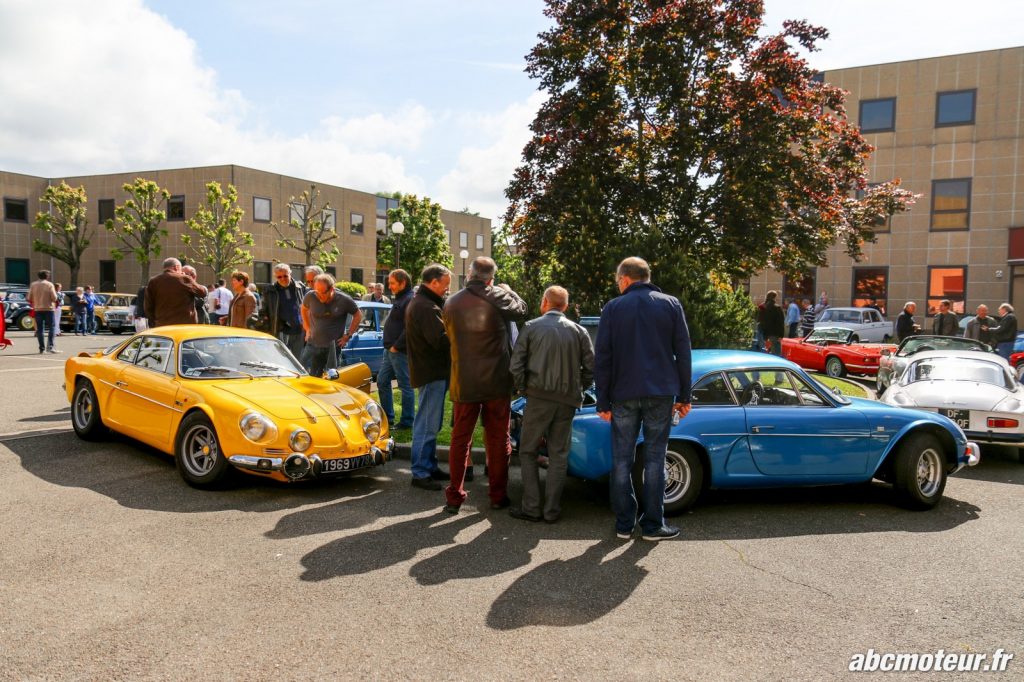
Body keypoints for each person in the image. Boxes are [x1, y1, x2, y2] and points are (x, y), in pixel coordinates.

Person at [594, 257, 691, 541]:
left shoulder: (613, 308)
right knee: (655, 458)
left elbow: (604, 358)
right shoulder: (671, 304)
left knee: (622, 460)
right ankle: (652, 524)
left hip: (623, 393)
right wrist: (685, 395)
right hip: (661, 391)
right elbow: (683, 353)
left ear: (625, 278)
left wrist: (602, 401)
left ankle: (624, 523)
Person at [441, 256, 526, 513]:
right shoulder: (498, 298)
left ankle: (454, 495)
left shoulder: (451, 302)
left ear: (470, 274)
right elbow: (522, 309)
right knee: (499, 438)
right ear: (491, 278)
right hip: (496, 380)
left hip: (464, 379)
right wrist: (509, 292)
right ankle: (498, 495)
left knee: (460, 439)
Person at [508, 286, 594, 524]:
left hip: (537, 397)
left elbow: (516, 366)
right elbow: (591, 368)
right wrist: (579, 388)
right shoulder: (579, 331)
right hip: (567, 399)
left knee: (527, 451)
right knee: (559, 454)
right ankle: (552, 510)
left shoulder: (531, 327)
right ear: (565, 306)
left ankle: (532, 507)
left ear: (545, 302)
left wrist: (524, 388)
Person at [404, 264, 454, 491]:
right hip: (431, 371)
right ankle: (421, 472)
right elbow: (440, 340)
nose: (447, 289)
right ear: (434, 282)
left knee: (430, 422)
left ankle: (429, 466)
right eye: (445, 284)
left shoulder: (424, 302)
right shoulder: (425, 306)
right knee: (427, 423)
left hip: (431, 370)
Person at [300, 273, 361, 377]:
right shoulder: (311, 296)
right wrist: (307, 328)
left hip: (333, 347)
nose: (319, 296)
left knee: (332, 377)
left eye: (322, 293)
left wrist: (348, 335)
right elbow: (304, 309)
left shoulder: (344, 299)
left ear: (331, 289)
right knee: (309, 374)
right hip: (314, 343)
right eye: (317, 292)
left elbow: (358, 314)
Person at [377, 269, 415, 429]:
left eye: (392, 283)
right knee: (382, 381)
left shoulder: (409, 299)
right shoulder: (401, 298)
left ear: (403, 283)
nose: (389, 286)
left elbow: (410, 327)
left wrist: (396, 346)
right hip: (390, 351)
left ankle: (407, 421)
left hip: (398, 351)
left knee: (405, 385)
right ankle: (388, 417)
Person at [258, 263, 307, 360]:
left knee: (299, 359)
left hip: (299, 329)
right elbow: (263, 311)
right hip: (281, 329)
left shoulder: (300, 287)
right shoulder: (269, 290)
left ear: (290, 273)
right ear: (275, 277)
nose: (283, 279)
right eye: (279, 277)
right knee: (283, 358)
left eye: (285, 276)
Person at [144, 258, 209, 328]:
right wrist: (187, 278)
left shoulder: (153, 281)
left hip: (162, 325)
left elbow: (148, 307)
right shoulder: (183, 278)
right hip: (185, 325)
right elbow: (202, 292)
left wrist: (154, 322)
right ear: (176, 267)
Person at [28, 270, 58, 353]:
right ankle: (50, 347)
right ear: (47, 276)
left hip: (37, 309)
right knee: (52, 327)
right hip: (49, 309)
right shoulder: (49, 284)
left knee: (40, 329)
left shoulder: (33, 285)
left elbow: (29, 297)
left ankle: (42, 349)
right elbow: (54, 298)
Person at [759, 291, 785, 356]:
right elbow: (780, 322)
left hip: (764, 332)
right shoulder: (777, 308)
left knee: (764, 350)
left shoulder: (762, 307)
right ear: (774, 298)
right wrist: (781, 335)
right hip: (775, 333)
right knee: (776, 351)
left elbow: (760, 320)